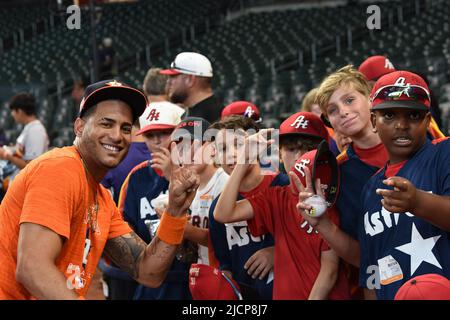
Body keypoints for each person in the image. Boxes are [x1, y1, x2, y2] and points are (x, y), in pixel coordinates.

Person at [0, 79, 199, 299]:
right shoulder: (59, 168)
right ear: (79, 126)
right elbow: (32, 269)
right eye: (106, 123)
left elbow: (148, 272)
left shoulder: (101, 199)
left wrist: (175, 212)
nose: (117, 136)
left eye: (125, 128)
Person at [296, 70, 450, 300]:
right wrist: (323, 224)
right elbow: (369, 263)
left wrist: (418, 202)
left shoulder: (442, 150)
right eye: (333, 110)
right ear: (375, 120)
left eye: (413, 115)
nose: (401, 125)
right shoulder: (358, 183)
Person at [214, 127, 350, 300]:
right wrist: (244, 161)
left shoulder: (329, 200)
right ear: (279, 154)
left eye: (308, 149)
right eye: (292, 149)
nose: (300, 156)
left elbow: (329, 271)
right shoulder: (276, 196)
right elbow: (223, 214)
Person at [113, 102, 189, 300]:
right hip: (151, 278)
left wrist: (172, 176)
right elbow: (123, 226)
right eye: (150, 135)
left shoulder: (195, 171)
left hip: (188, 278)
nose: (156, 141)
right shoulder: (136, 176)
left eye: (164, 133)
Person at [208, 115, 287, 300]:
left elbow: (312, 246)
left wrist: (277, 252)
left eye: (239, 145)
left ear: (257, 146)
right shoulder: (217, 207)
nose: (232, 154)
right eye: (223, 149)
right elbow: (225, 268)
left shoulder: (284, 185)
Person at [171, 117, 229, 267]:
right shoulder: (185, 185)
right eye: (181, 148)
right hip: (201, 271)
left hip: (225, 273)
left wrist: (183, 229)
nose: (187, 154)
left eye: (194, 146)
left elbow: (228, 240)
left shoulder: (224, 181)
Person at [160, 52, 222, 123]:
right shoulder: (192, 114)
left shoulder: (212, 118)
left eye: (173, 76)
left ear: (190, 80)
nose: (168, 81)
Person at [0, 92, 49, 170]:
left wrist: (7, 156)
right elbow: (22, 153)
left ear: (20, 111)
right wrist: (9, 150)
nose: (12, 114)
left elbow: (31, 167)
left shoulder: (35, 130)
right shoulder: (30, 127)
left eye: (13, 111)